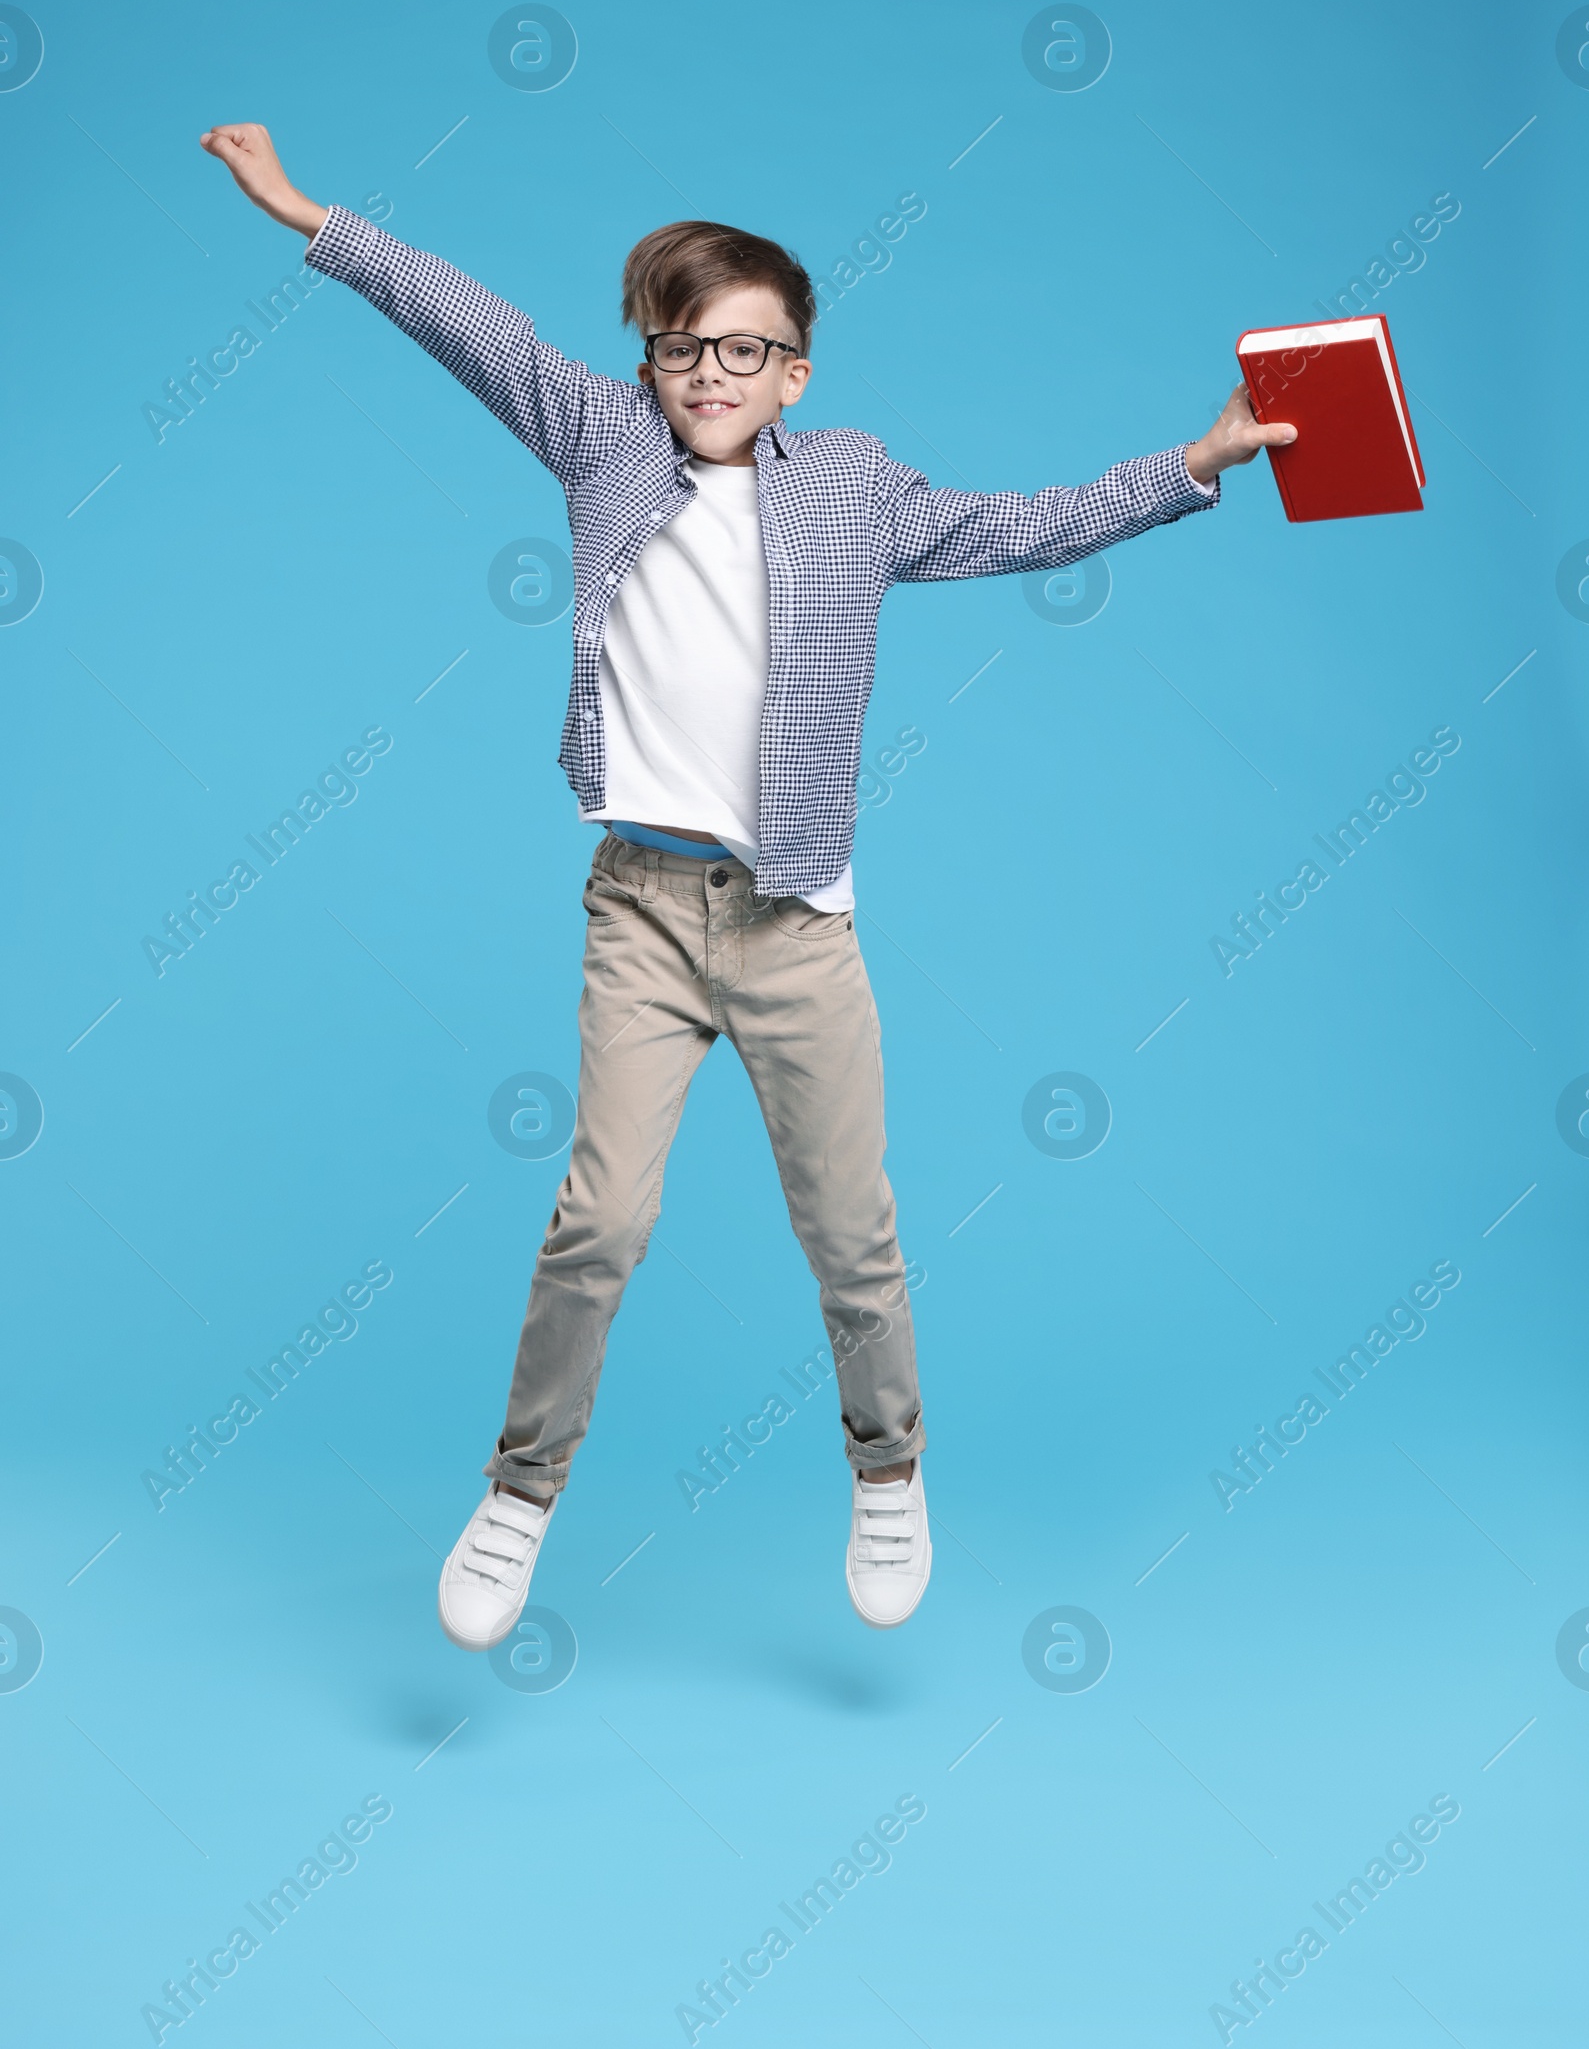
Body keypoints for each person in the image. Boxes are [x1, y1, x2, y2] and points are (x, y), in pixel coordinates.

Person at [200, 122, 1294, 1642]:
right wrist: (308, 214)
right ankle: (519, 1498)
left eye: (746, 351)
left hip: (794, 921)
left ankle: (891, 1472)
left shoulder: (851, 487)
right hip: (642, 909)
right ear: (648, 362)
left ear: (798, 372)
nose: (710, 376)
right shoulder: (601, 442)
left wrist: (1195, 463)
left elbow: (1020, 527)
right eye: (682, 348)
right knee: (600, 1221)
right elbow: (468, 321)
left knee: (852, 1231)